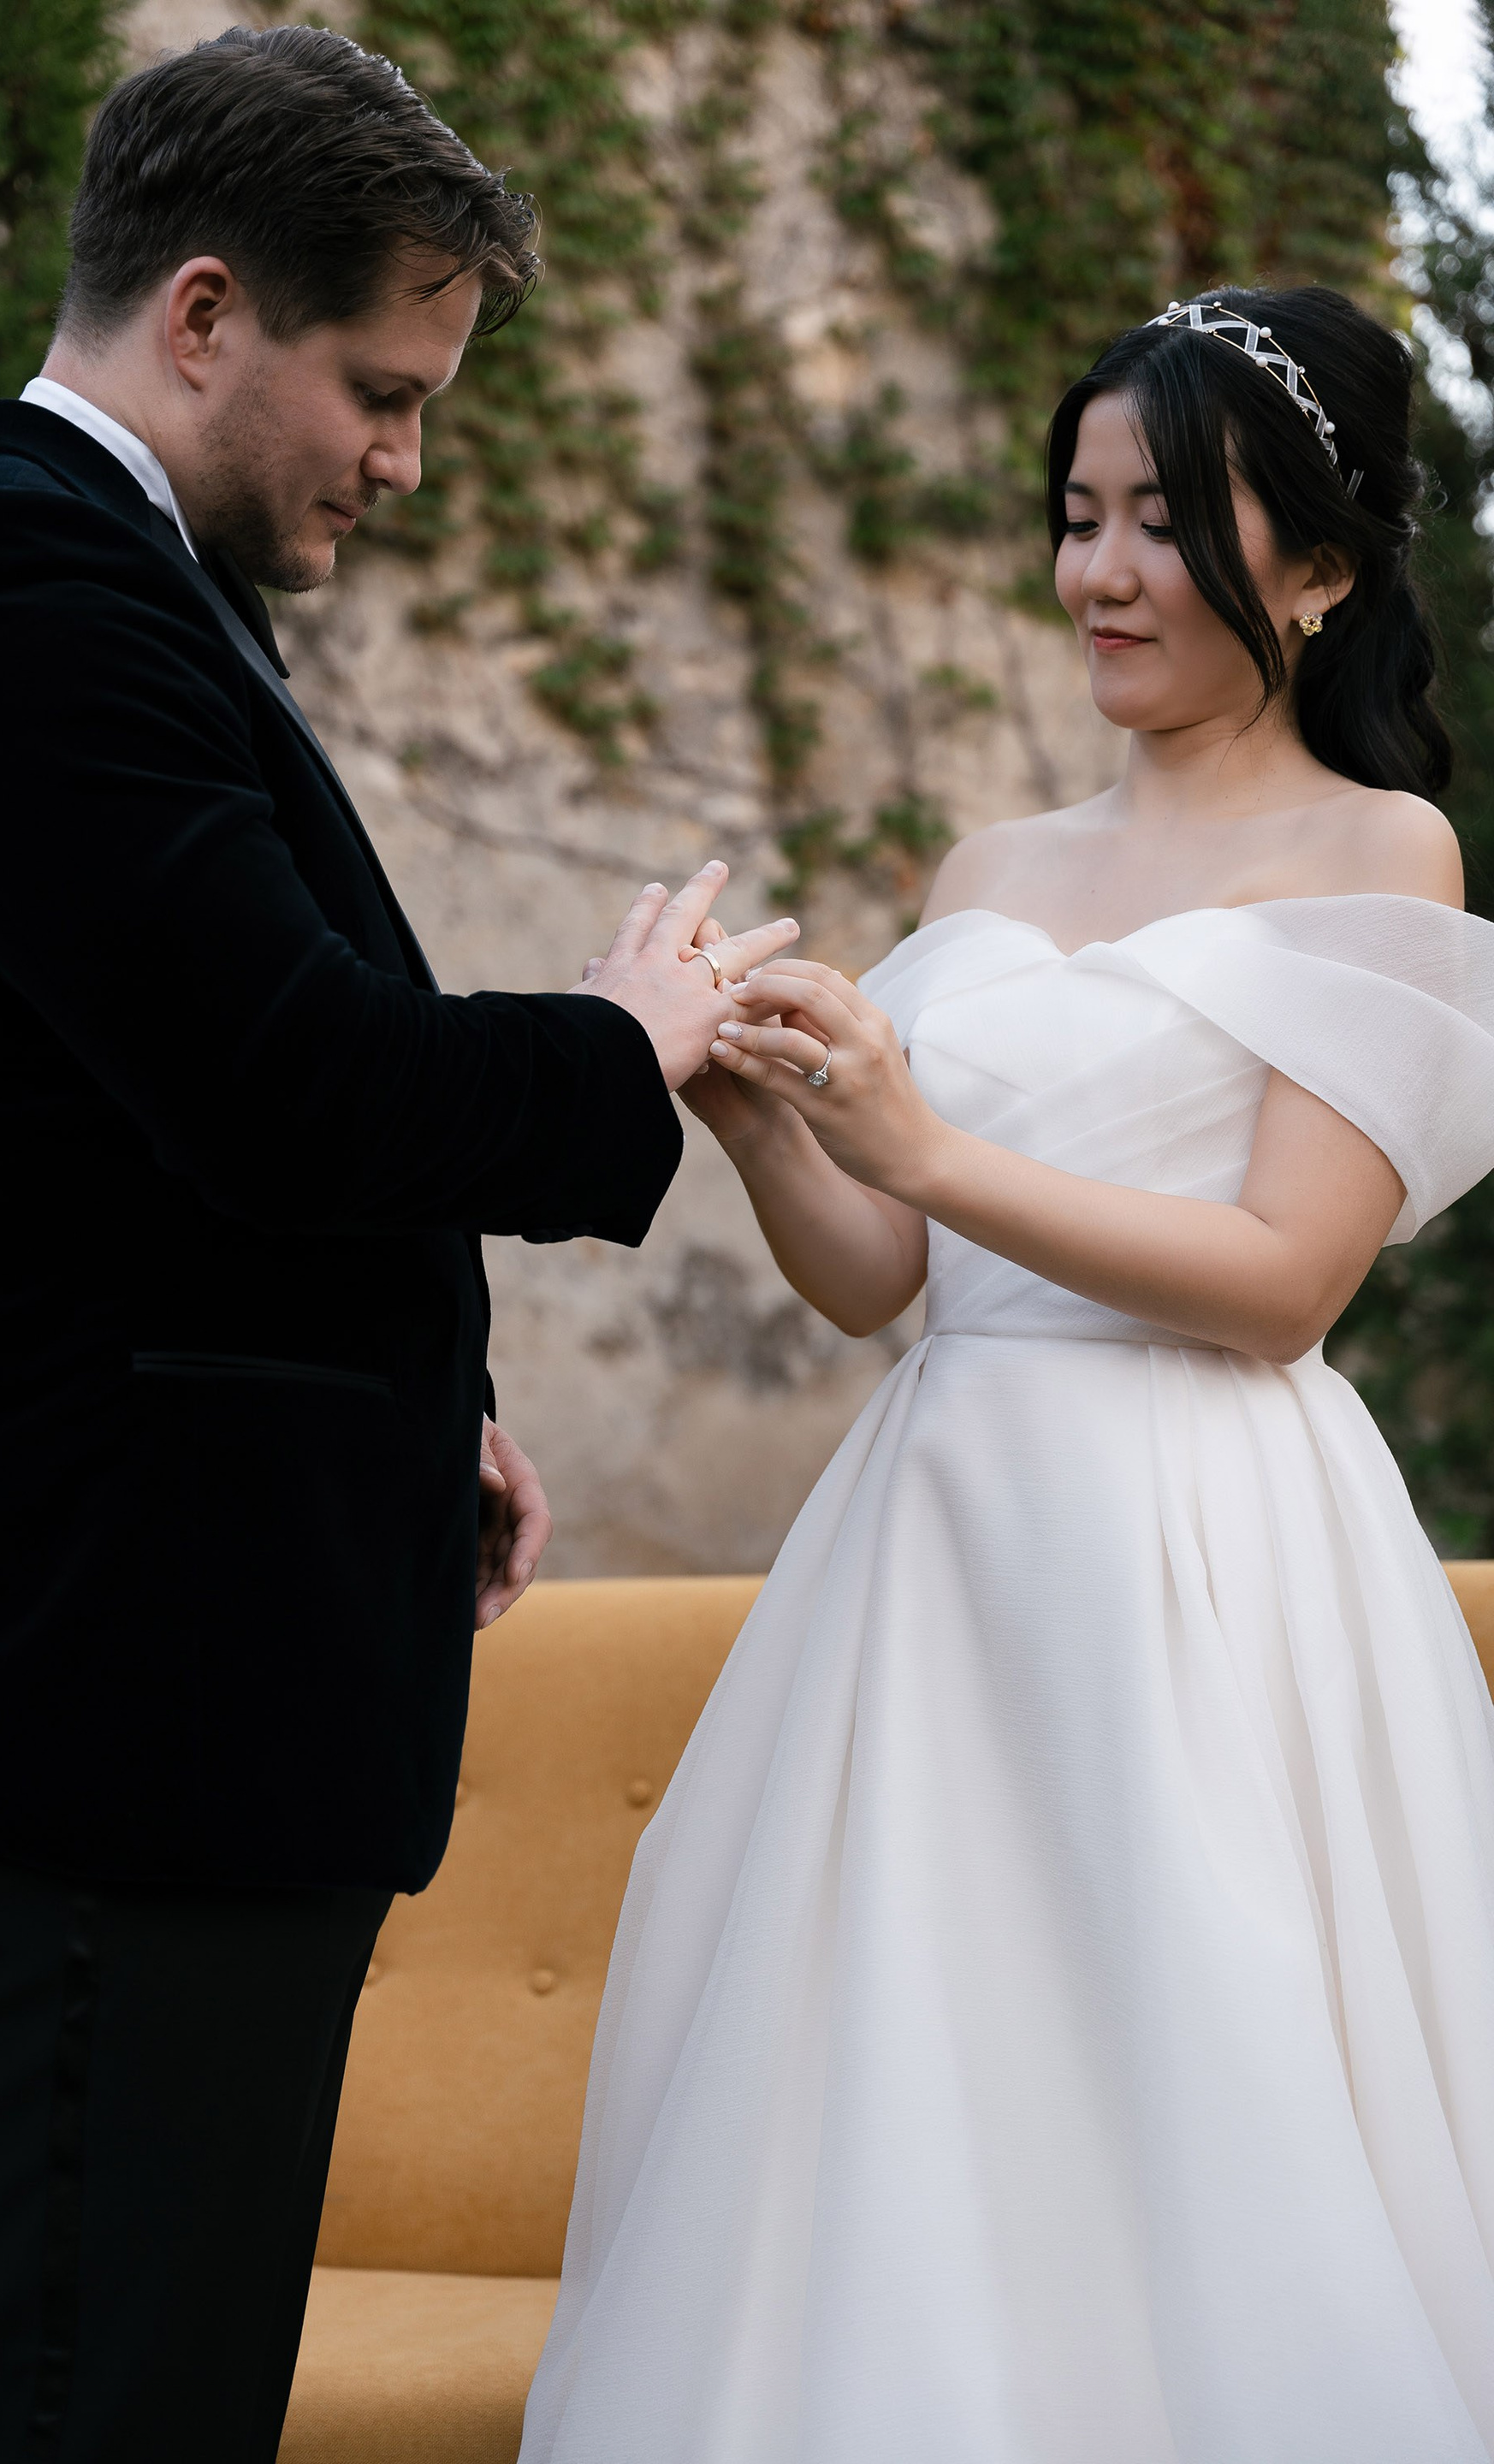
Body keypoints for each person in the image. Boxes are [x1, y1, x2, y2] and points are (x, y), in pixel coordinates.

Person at [0, 27, 795, 2461]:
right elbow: (289, 1086)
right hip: (124, 1713)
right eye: (381, 391)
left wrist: (414, 1423)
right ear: (201, 314)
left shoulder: (117, 595)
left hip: (196, 1693)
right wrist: (623, 1042)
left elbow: (134, 1140)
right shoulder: (15, 589)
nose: (404, 461)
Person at [519, 286, 1494, 2463]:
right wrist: (765, 1118)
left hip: (1199, 1552)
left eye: (1167, 522)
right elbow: (890, 1279)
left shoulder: (1379, 849)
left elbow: (1282, 1284)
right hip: (936, 1549)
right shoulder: (993, 866)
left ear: (1321, 570)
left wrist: (927, 1142)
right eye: (1080, 515)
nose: (1102, 574)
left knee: (1192, 2058)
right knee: (894, 2079)